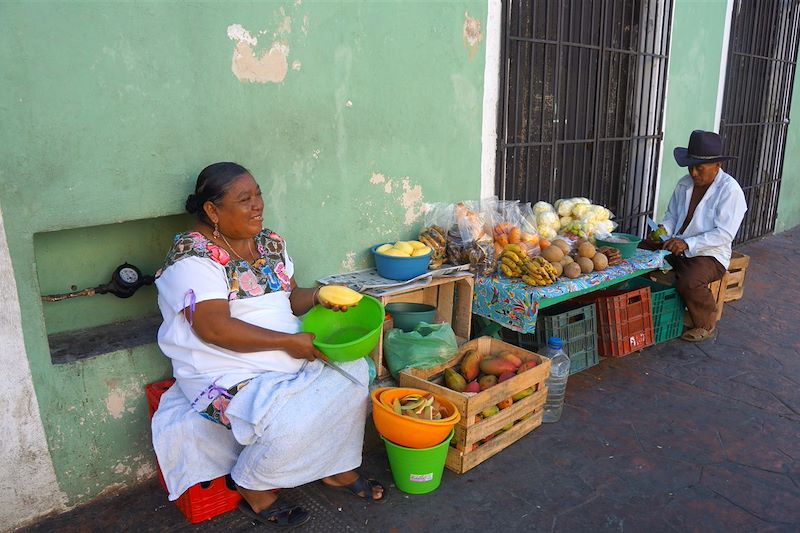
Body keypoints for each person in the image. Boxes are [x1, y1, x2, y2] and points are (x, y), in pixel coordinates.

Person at [151, 162, 386, 528]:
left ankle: (337, 468)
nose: (258, 205)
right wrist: (289, 343)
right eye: (244, 199)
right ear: (212, 210)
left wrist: (320, 296)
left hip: (284, 351)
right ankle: (252, 483)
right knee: (289, 423)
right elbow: (214, 329)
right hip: (224, 368)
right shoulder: (191, 257)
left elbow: (288, 300)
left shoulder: (269, 242)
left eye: (258, 194)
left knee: (356, 373)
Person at [651, 130, 747, 342]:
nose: (694, 173)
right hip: (677, 245)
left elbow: (723, 234)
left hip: (710, 255)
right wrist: (662, 230)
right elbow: (671, 215)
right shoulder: (685, 183)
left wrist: (688, 244)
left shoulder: (730, 191)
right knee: (642, 254)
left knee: (689, 281)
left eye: (699, 168)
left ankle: (706, 323)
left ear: (717, 166)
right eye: (691, 166)